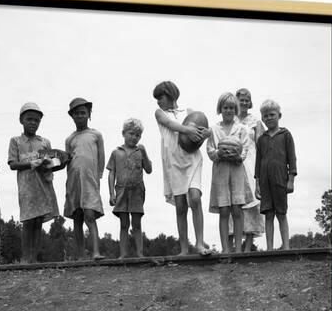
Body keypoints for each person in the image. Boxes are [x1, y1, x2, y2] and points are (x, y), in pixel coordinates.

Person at [152, 81, 211, 256]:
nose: (158, 102)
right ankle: (184, 249)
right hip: (174, 162)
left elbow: (202, 130)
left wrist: (205, 133)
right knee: (180, 206)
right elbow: (170, 125)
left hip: (192, 159)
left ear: (170, 95)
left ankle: (200, 244)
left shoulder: (189, 111)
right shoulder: (160, 113)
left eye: (160, 97)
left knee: (195, 198)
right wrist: (188, 130)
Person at [8, 103, 64, 264]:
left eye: (36, 120)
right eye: (29, 119)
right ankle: (25, 258)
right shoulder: (16, 141)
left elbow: (53, 164)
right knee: (28, 220)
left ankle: (34, 258)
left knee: (39, 220)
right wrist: (31, 164)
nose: (33, 123)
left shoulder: (44, 142)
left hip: (43, 184)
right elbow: (12, 164)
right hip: (26, 186)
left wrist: (58, 162)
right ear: (21, 120)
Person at [207, 92, 254, 253]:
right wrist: (218, 153)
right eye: (225, 107)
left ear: (236, 110)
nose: (228, 110)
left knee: (237, 209)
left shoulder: (241, 129)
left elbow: (245, 148)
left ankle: (239, 249)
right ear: (220, 109)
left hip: (236, 171)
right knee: (224, 210)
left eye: (232, 108)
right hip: (220, 172)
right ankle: (226, 249)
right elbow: (210, 150)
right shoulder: (213, 129)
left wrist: (237, 156)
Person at [64, 97, 105, 260]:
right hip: (74, 181)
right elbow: (67, 160)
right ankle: (80, 255)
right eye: (76, 113)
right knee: (77, 217)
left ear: (89, 114)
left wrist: (99, 176)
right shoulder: (70, 139)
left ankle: (96, 251)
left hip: (90, 180)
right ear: (72, 116)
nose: (80, 116)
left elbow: (101, 158)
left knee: (89, 214)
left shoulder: (96, 135)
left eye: (83, 113)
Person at [107, 118, 152, 259]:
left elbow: (149, 170)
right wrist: (111, 194)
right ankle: (123, 254)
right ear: (123, 133)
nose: (134, 137)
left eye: (138, 135)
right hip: (121, 191)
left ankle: (140, 253)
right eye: (131, 133)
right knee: (124, 223)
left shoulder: (140, 151)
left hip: (137, 191)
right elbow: (111, 173)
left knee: (137, 223)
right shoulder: (116, 152)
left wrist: (144, 153)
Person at [255, 99, 297, 251]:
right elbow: (258, 163)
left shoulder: (286, 135)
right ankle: (270, 249)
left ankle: (286, 247)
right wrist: (257, 184)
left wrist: (291, 180)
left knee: (281, 213)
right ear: (263, 118)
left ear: (279, 115)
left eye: (272, 114)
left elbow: (292, 159)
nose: (269, 118)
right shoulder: (261, 139)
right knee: (268, 215)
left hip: (281, 179)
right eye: (265, 116)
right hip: (265, 182)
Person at [228, 88, 266, 251]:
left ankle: (247, 248)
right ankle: (229, 247)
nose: (244, 102)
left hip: (251, 164)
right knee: (231, 203)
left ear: (250, 103)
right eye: (241, 99)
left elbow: (263, 145)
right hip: (233, 164)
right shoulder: (230, 118)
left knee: (251, 204)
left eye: (247, 99)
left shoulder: (255, 121)